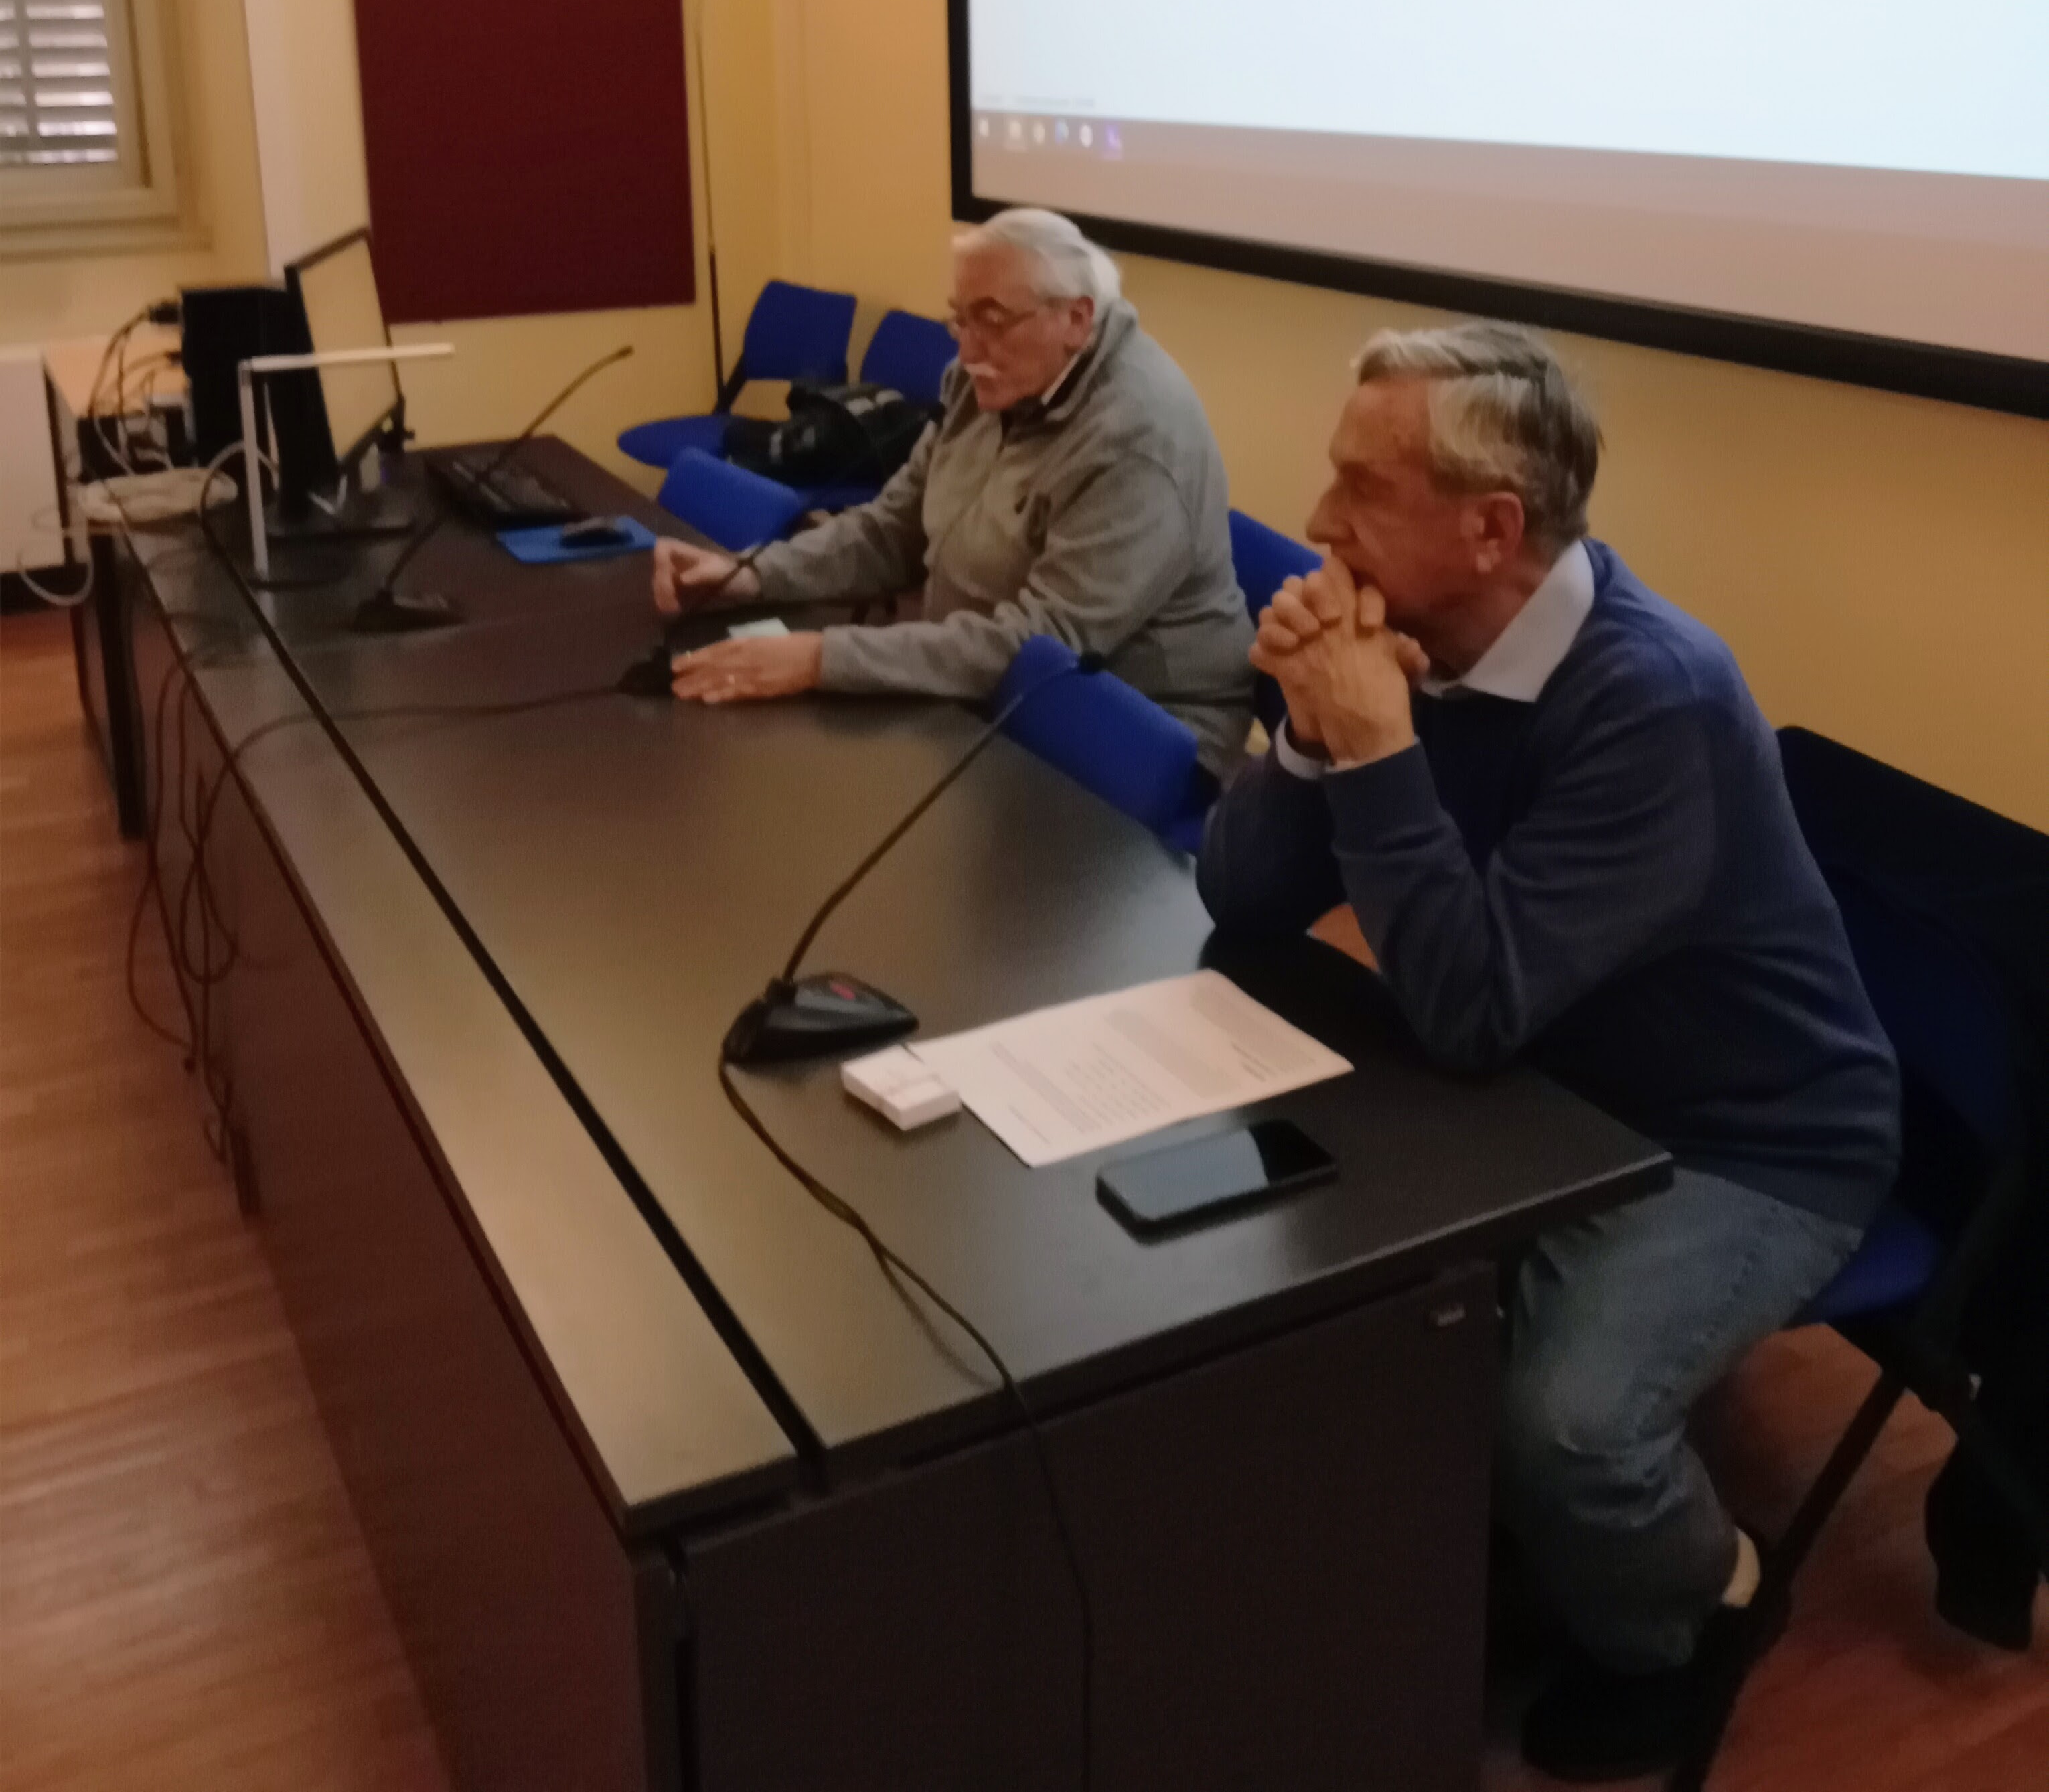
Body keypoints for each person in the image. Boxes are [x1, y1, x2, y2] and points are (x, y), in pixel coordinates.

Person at [1195, 323, 1900, 1783]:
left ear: (1491, 528)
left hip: (1753, 1133)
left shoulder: (1654, 698)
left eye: (1361, 489)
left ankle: (1697, 1611)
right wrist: (1313, 737)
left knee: (1568, 1430)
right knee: (1306, 1286)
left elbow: (1468, 1006)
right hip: (1553, 1083)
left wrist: (1376, 748)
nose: (1318, 521)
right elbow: (1244, 899)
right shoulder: (1432, 642)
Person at [650, 209, 1254, 774]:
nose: (966, 350)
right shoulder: (982, 382)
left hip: (1135, 724)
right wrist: (753, 576)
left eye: (991, 321)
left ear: (1076, 319)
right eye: (958, 319)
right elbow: (894, 529)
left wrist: (822, 659)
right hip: (986, 685)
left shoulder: (1137, 442)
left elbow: (1042, 646)